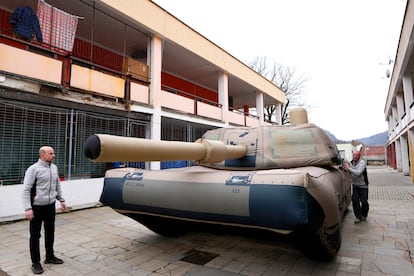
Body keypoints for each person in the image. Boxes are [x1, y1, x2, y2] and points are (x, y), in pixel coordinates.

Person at [22, 146, 67, 274]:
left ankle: (50, 256)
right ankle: (35, 262)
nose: (54, 155)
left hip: (50, 205)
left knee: (50, 231)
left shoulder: (54, 167)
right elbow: (26, 190)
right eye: (51, 153)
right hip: (36, 207)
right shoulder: (33, 169)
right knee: (35, 235)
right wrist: (28, 208)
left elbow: (57, 185)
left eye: (53, 153)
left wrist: (61, 200)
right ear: (42, 155)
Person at [344, 150, 369, 224]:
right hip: (355, 186)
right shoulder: (351, 162)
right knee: (355, 201)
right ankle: (358, 217)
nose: (354, 157)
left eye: (356, 155)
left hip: (363, 186)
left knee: (364, 202)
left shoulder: (362, 163)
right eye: (353, 155)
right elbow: (348, 170)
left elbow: (358, 173)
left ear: (359, 156)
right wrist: (345, 168)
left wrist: (348, 168)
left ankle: (364, 215)